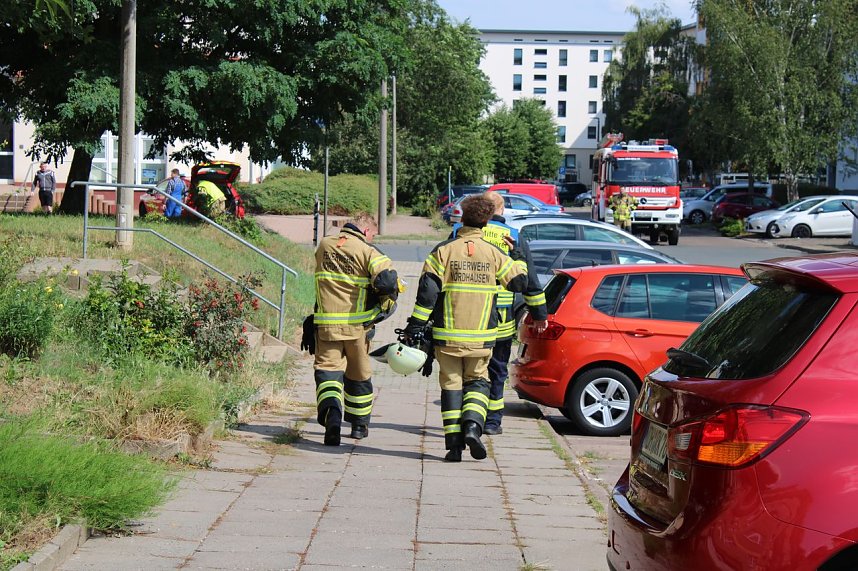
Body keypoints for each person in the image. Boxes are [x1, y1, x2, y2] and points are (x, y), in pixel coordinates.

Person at [405, 195, 529, 462]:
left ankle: (454, 447)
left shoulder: (443, 251)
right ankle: (473, 426)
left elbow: (427, 294)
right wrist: (517, 255)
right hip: (482, 337)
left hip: (447, 336)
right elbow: (519, 283)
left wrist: (415, 326)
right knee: (478, 382)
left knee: (451, 385)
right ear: (486, 221)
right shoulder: (495, 253)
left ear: (462, 218)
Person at [312, 213, 399, 446]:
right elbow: (388, 282)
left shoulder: (324, 245)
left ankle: (332, 415)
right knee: (358, 375)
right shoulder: (367, 251)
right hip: (357, 328)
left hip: (326, 325)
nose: (372, 239)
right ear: (367, 231)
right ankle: (359, 426)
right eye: (373, 235)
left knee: (328, 373)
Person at [479, 191, 547, 435]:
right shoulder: (513, 237)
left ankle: (470, 419)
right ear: (502, 210)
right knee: (497, 371)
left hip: (465, 319)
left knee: (470, 372)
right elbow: (529, 280)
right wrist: (539, 315)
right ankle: (492, 422)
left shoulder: (463, 234)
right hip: (500, 320)